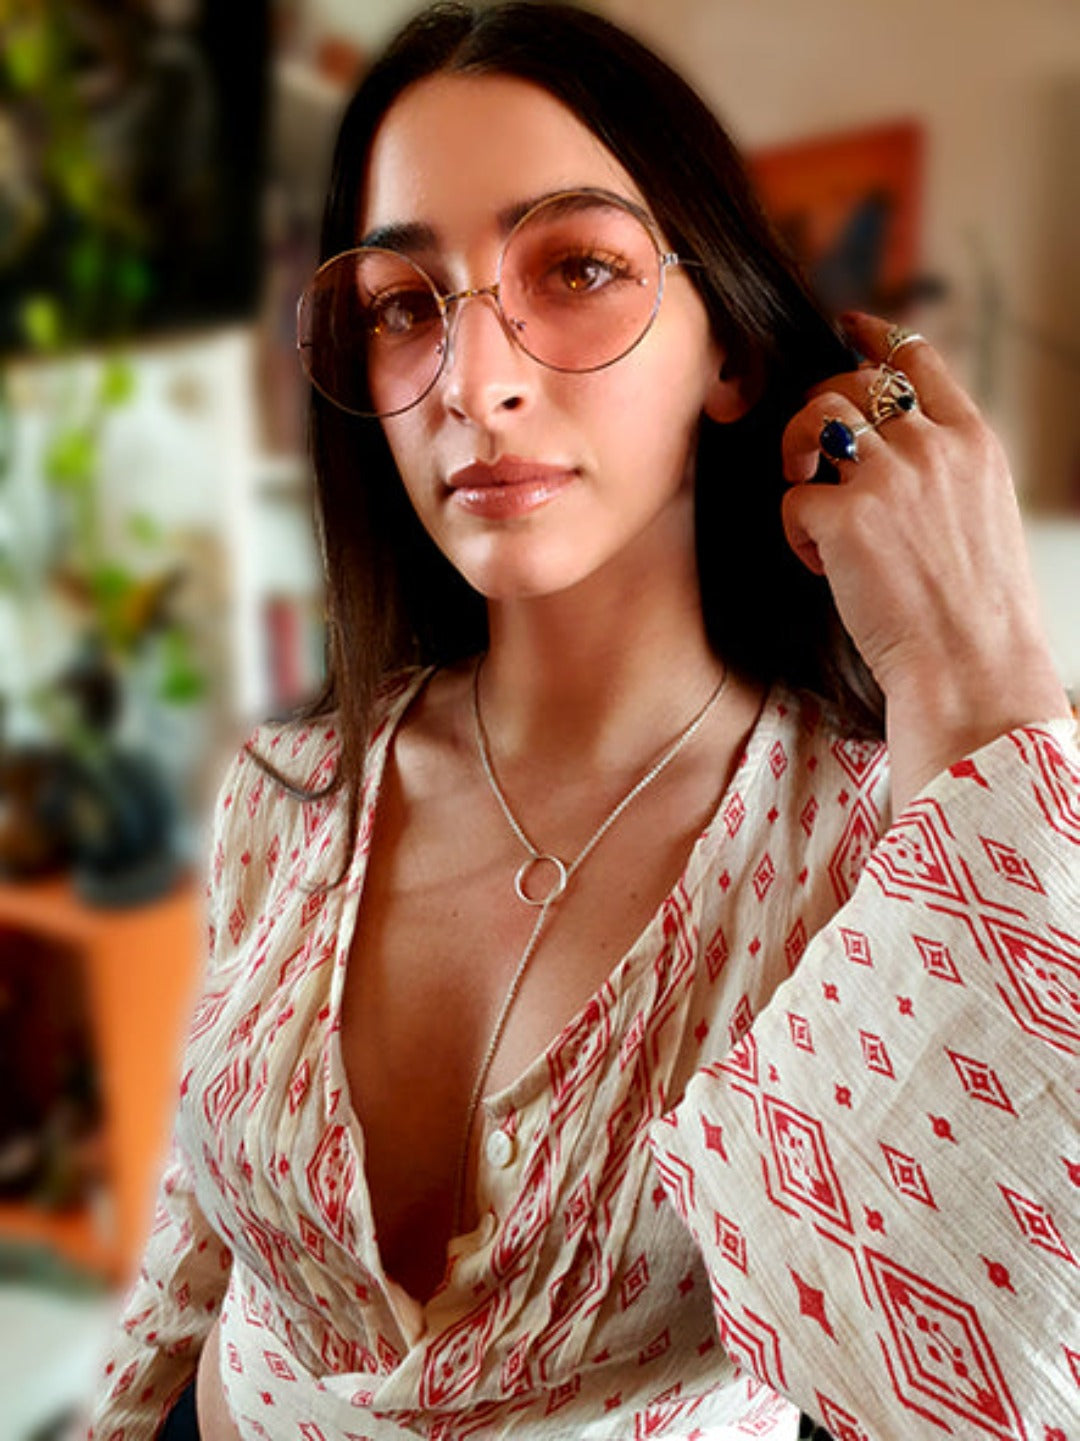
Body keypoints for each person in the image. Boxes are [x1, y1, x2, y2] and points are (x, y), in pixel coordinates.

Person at [89, 3, 1078, 1438]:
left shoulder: (884, 840)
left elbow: (1014, 1358)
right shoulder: (291, 785)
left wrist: (975, 666)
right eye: (405, 304)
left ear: (728, 351)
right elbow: (195, 1249)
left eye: (578, 269)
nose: (474, 381)